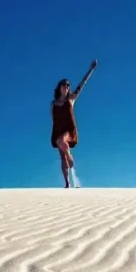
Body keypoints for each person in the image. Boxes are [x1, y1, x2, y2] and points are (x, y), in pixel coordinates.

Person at [52, 59, 98, 188]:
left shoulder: (71, 99)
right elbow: (53, 118)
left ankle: (72, 166)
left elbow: (82, 84)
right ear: (59, 87)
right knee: (62, 157)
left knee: (62, 142)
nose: (66, 87)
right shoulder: (53, 104)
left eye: (68, 85)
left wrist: (91, 70)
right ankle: (68, 183)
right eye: (64, 85)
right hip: (58, 129)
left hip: (69, 129)